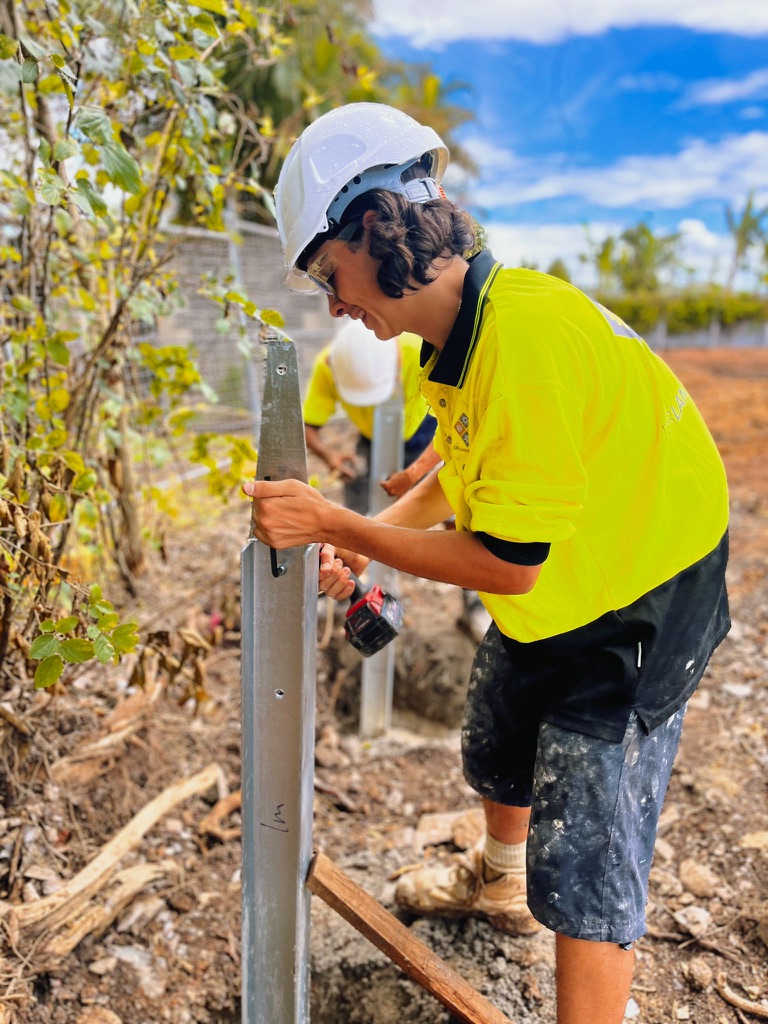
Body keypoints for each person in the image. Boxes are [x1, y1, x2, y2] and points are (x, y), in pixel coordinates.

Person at [244, 102, 730, 1024]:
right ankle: (499, 881)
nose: (333, 302)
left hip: (643, 590)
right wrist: (356, 533)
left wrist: (329, 522)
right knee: (502, 730)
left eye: (328, 272)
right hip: (571, 560)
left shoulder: (524, 343)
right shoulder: (453, 340)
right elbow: (464, 481)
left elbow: (506, 565)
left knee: (588, 846)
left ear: (375, 225)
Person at [303, 318, 441, 514]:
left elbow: (453, 429)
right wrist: (329, 456)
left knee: (443, 501)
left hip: (424, 432)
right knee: (358, 509)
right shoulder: (328, 364)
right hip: (371, 439)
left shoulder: (420, 350)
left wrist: (415, 472)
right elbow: (309, 425)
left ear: (397, 363)